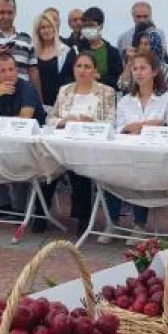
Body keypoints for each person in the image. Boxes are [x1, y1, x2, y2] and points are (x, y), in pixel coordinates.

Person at [109, 50, 168, 242]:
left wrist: (141, 128)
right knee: (107, 170)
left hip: (157, 159)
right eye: (135, 69)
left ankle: (139, 225)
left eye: (143, 68)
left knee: (142, 168)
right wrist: (150, 125)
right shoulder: (125, 101)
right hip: (127, 155)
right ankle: (112, 222)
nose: (138, 73)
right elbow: (119, 131)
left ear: (155, 71)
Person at [49, 52, 117, 234]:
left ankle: (83, 217)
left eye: (87, 67)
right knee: (46, 161)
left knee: (80, 167)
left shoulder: (106, 92)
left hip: (90, 145)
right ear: (73, 69)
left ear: (95, 71)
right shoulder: (65, 90)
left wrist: (92, 123)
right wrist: (64, 121)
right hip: (64, 142)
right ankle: (40, 212)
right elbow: (51, 118)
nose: (82, 70)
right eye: (79, 66)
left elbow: (111, 122)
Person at [0, 53, 47, 217]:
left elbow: (24, 119)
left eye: (11, 69)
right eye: (3, 71)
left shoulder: (26, 89)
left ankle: (20, 209)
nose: (7, 74)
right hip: (7, 139)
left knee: (18, 161)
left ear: (17, 70)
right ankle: (2, 204)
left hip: (31, 142)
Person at [59, 6, 123, 90]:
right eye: (85, 26)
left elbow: (118, 81)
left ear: (101, 26)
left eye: (92, 25)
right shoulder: (76, 50)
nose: (88, 29)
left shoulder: (112, 52)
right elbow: (64, 78)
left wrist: (99, 77)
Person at [117, 24, 168, 94]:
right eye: (141, 43)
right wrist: (129, 63)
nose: (142, 47)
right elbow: (121, 86)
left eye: (146, 44)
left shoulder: (165, 68)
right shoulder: (134, 66)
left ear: (154, 45)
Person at [34, 11, 70, 109]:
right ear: (38, 31)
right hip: (39, 102)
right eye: (43, 27)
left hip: (61, 103)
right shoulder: (33, 52)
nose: (46, 30)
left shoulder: (65, 51)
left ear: (54, 28)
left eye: (49, 27)